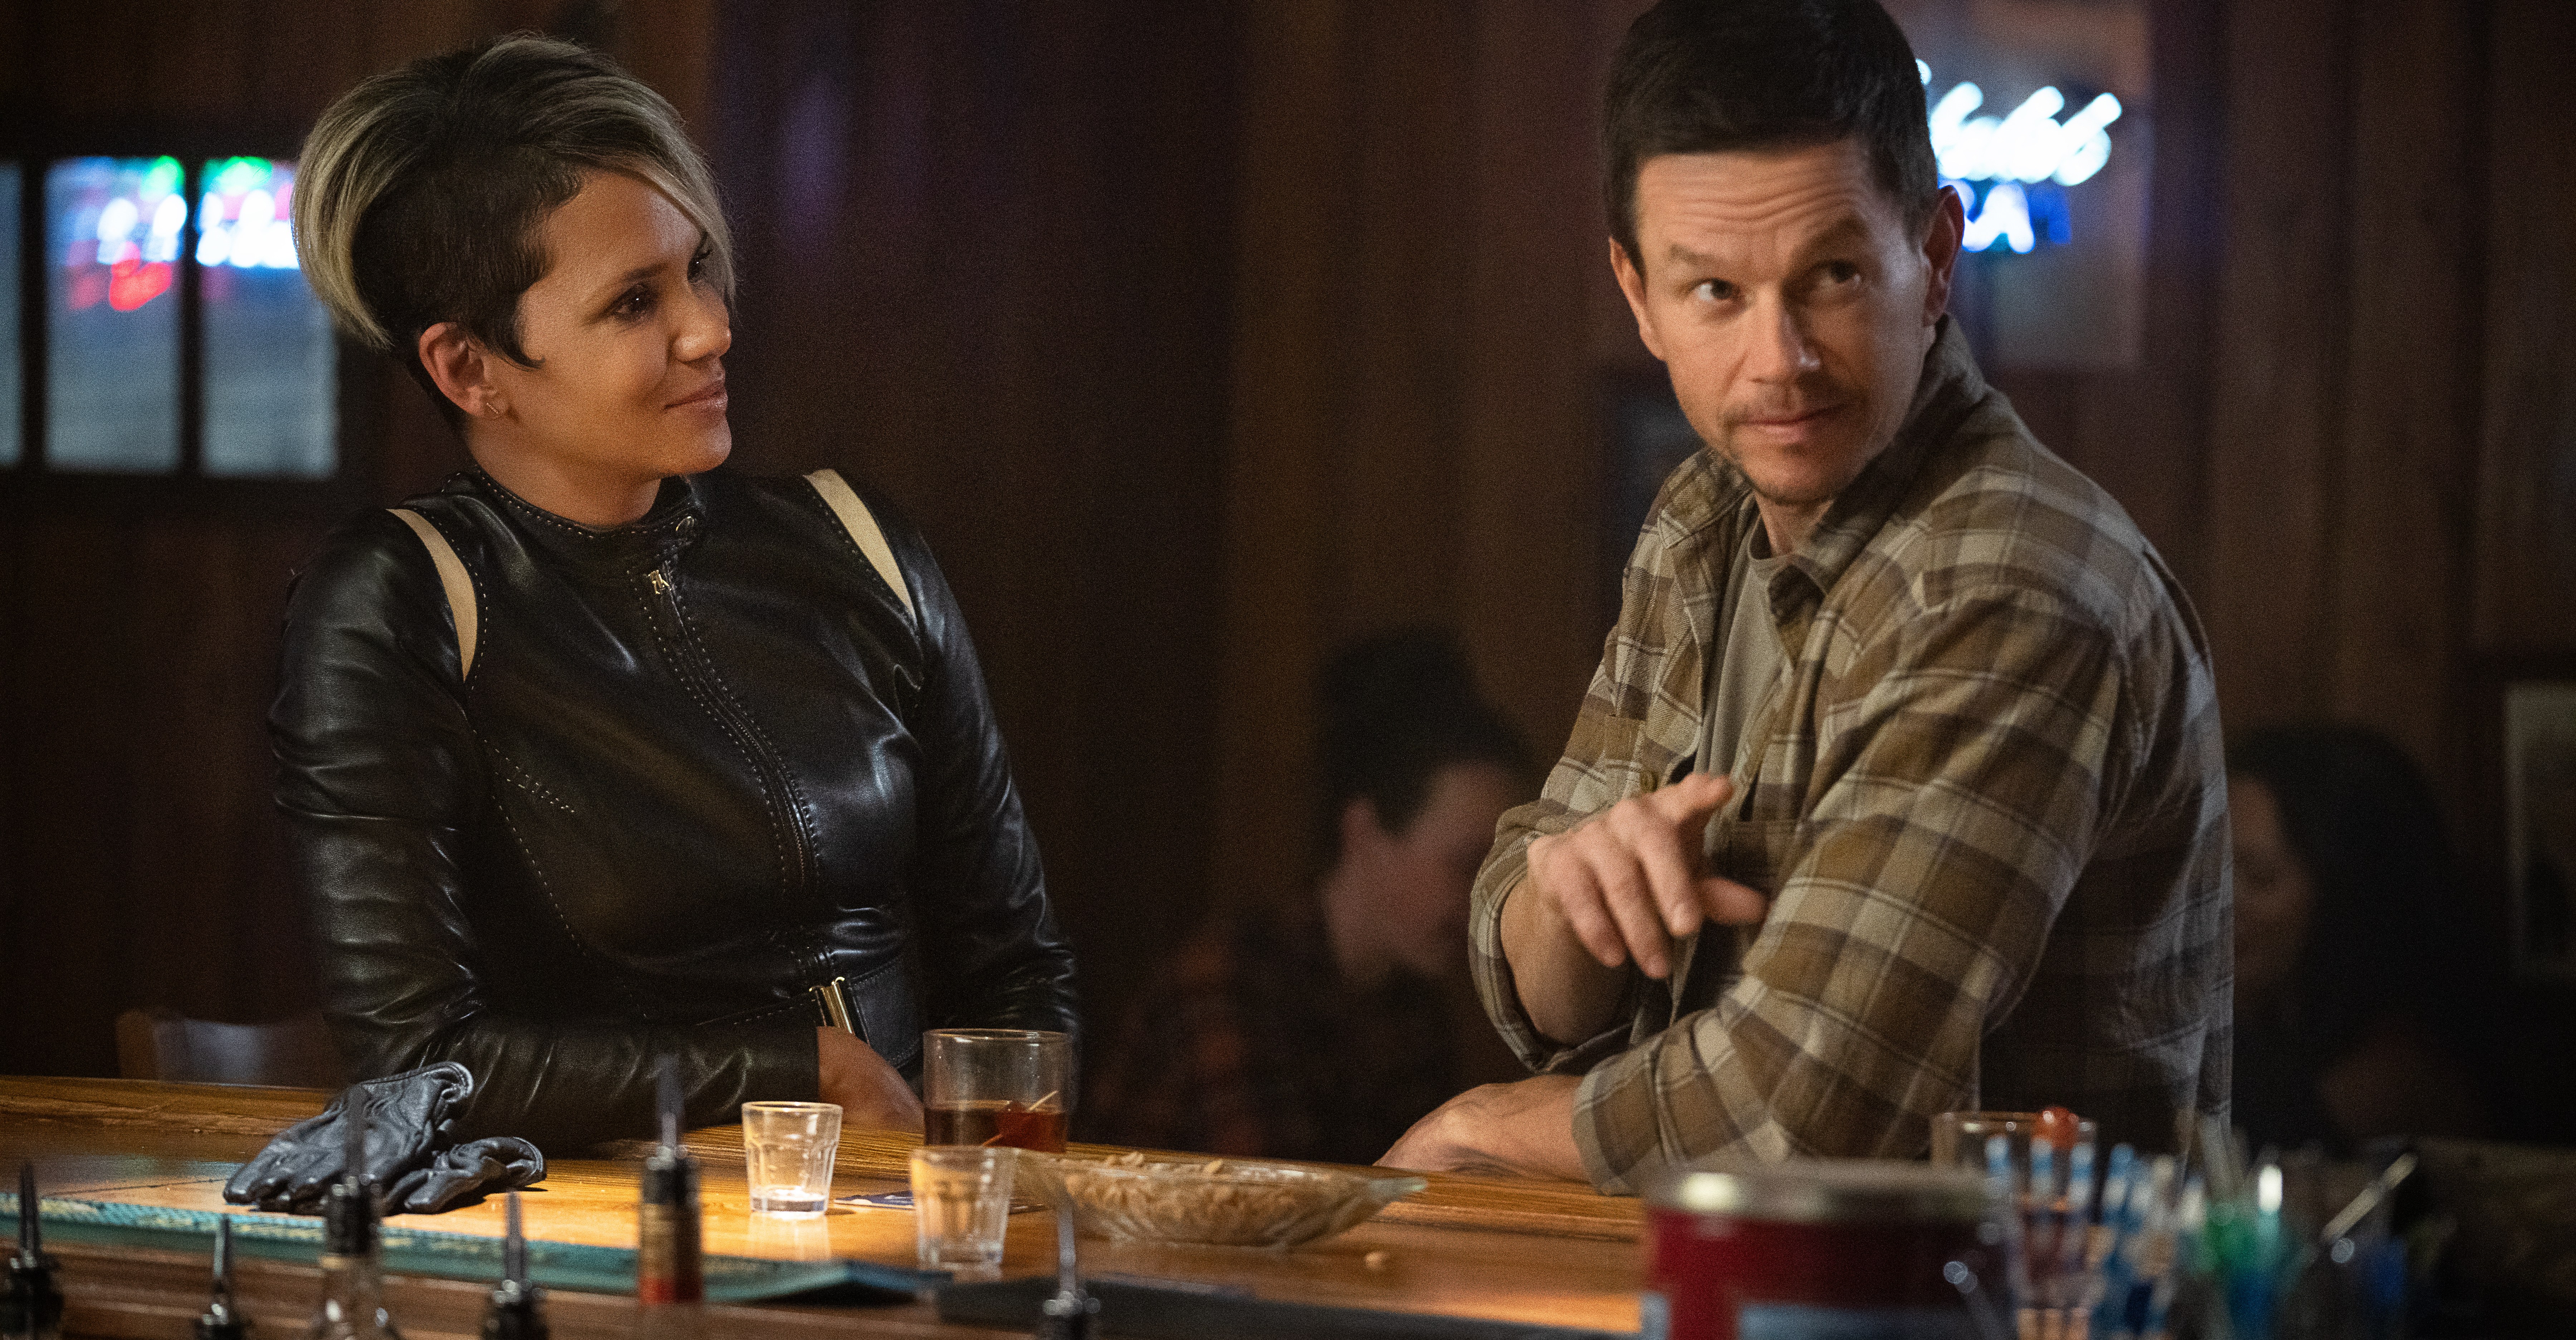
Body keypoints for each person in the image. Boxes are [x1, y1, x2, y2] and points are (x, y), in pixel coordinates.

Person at [1381, 0, 2230, 1190]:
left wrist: (1485, 1125)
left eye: (1830, 274)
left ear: (1934, 256)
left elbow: (1810, 1108)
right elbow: (1529, 957)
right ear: (1639, 292)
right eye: (1715, 292)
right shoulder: (1699, 516)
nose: (1778, 360)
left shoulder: (2016, 585)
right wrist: (1572, 908)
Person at [272, 36, 1077, 1145]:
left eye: (696, 267)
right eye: (633, 304)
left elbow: (1017, 975)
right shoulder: (399, 599)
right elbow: (421, 1064)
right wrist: (808, 1069)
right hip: (611, 1235)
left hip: (912, 1221)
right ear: (471, 369)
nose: (712, 327)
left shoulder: (858, 544)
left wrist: (988, 1206)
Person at [1082, 630, 1529, 1163]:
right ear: (1365, 833)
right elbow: (1280, 1204)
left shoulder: (1413, 1010)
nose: (1487, 900)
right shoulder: (1229, 983)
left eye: (1501, 872)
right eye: (1464, 862)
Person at [2229, 725, 2489, 1154]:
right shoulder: (2266, 1032)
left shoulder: (2397, 1074)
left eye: (2259, 878)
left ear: (2346, 894)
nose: (2216, 905)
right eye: (2208, 870)